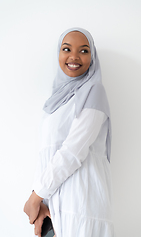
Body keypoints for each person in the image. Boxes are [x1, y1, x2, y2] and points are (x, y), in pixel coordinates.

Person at [24, 27, 114, 237]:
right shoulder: (53, 103)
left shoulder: (94, 91)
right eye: (67, 49)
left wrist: (35, 197)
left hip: (82, 205)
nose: (74, 56)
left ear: (92, 56)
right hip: (52, 206)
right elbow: (46, 155)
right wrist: (40, 202)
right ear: (59, 53)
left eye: (84, 51)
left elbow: (73, 151)